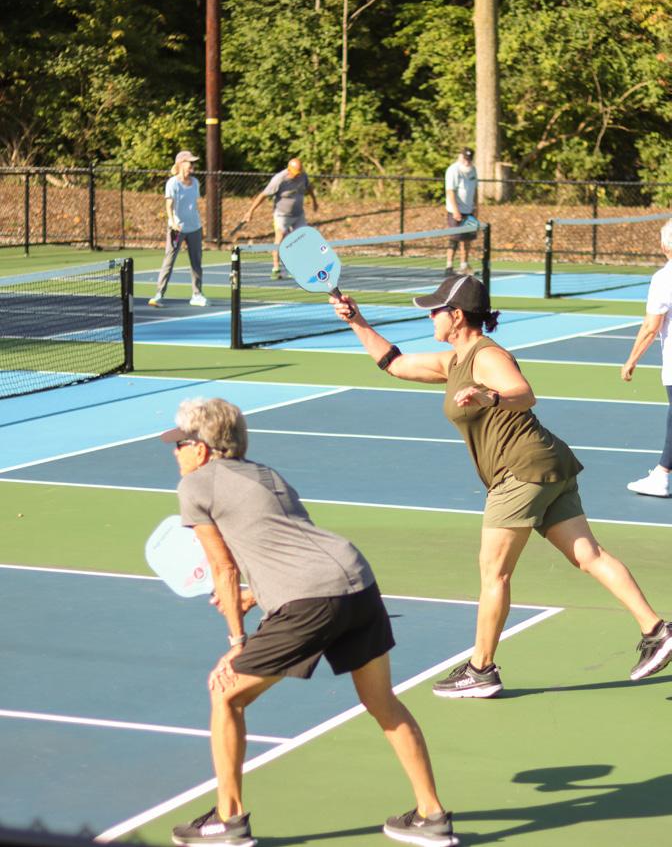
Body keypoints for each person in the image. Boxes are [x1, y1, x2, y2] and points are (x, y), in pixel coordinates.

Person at [330, 274, 672, 700]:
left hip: (519, 472)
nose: (431, 316)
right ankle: (657, 631)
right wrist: (357, 322)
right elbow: (394, 364)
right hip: (546, 464)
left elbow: (523, 394)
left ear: (457, 316)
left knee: (495, 573)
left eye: (436, 310)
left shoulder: (487, 356)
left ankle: (481, 668)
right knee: (589, 555)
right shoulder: (454, 361)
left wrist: (490, 397)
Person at [161, 397, 459, 847]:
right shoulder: (266, 473)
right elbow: (297, 545)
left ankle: (229, 819)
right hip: (357, 582)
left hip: (312, 601)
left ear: (200, 448)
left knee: (226, 694)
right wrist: (254, 596)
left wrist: (237, 641)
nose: (175, 452)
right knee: (382, 701)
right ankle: (431, 814)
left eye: (180, 444)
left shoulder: (195, 486)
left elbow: (223, 567)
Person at [621, 218, 672, 498]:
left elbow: (651, 326)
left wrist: (631, 360)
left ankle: (661, 475)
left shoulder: (664, 279)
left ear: (664, 246)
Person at [148, 150, 209, 308]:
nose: (193, 165)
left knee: (196, 262)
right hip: (176, 229)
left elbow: (194, 205)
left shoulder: (195, 182)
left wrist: (199, 225)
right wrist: (173, 222)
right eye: (190, 162)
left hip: (194, 228)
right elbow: (169, 206)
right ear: (181, 164)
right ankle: (159, 295)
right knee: (169, 260)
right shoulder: (172, 183)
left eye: (193, 162)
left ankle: (197, 295)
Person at [242, 157, 319, 280]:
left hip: (298, 214)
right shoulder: (279, 179)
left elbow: (308, 187)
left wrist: (314, 201)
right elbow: (263, 195)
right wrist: (250, 211)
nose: (297, 175)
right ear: (289, 170)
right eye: (295, 173)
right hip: (282, 214)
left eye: (299, 173)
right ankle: (276, 268)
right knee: (280, 238)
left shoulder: (303, 176)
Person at [444, 148, 478, 276]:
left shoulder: (473, 170)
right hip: (455, 211)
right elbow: (450, 192)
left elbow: (475, 190)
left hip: (469, 211)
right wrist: (455, 211)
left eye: (469, 159)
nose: (467, 161)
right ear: (460, 157)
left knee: (467, 240)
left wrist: (475, 207)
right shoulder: (453, 170)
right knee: (454, 239)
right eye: (465, 158)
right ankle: (449, 266)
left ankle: (464, 265)